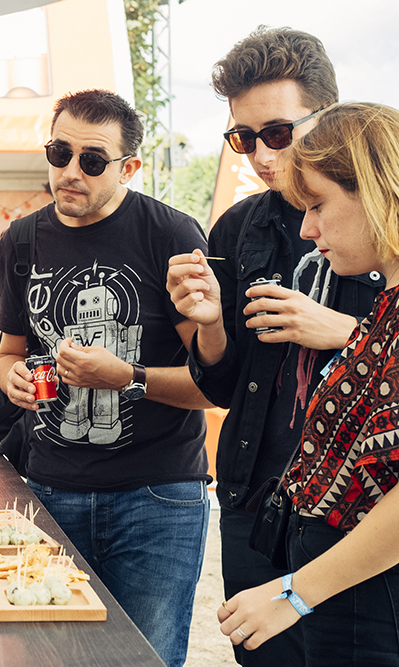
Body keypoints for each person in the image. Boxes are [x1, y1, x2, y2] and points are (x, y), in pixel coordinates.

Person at [165, 27, 384, 667]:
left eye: (278, 134)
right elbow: (223, 386)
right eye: (242, 138)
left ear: (330, 119)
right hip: (259, 493)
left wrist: (342, 333)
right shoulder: (241, 225)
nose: (260, 155)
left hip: (359, 509)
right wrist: (209, 324)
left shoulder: (380, 219)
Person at [0, 89, 212, 667]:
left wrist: (129, 377)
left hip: (156, 496)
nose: (69, 172)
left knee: (145, 658)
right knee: (46, 656)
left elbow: (210, 383)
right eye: (59, 152)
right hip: (47, 488)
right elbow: (9, 352)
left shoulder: (170, 235)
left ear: (129, 168)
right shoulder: (20, 239)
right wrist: (13, 379)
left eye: (92, 161)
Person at [216, 101, 399, 666]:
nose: (306, 229)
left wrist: (296, 593)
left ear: (375, 190)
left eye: (318, 204)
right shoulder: (384, 309)